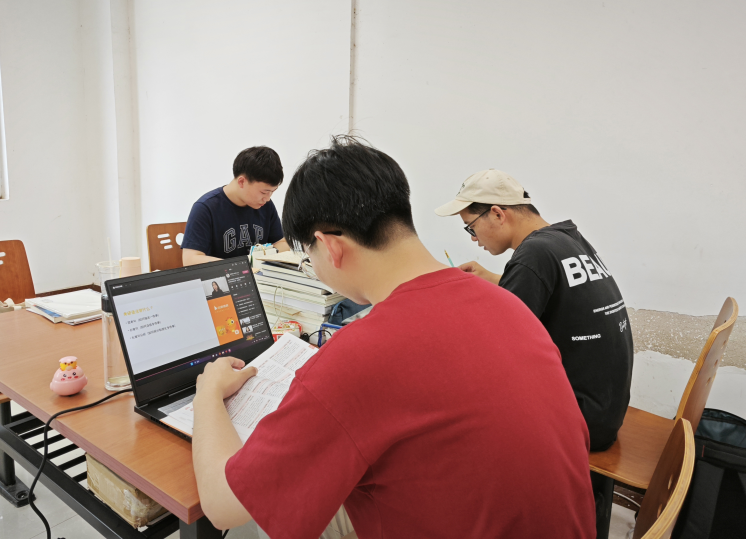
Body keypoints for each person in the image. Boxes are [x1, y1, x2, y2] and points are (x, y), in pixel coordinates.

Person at [191, 138, 595, 539]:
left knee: (257, 525)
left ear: (330, 247)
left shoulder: (360, 356)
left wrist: (209, 394)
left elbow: (223, 506)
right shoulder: (509, 304)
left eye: (307, 258)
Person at [435, 168, 634, 538]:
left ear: (497, 213)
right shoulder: (565, 239)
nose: (474, 239)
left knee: (460, 410)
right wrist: (495, 280)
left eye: (470, 228)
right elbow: (560, 298)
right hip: (607, 405)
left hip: (583, 420)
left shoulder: (533, 256)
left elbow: (494, 346)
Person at [182, 146, 290, 265]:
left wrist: (262, 256)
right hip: (223, 275)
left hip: (257, 274)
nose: (267, 198)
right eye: (264, 192)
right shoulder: (206, 208)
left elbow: (282, 243)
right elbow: (190, 260)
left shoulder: (265, 205)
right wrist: (241, 266)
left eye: (272, 192)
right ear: (242, 181)